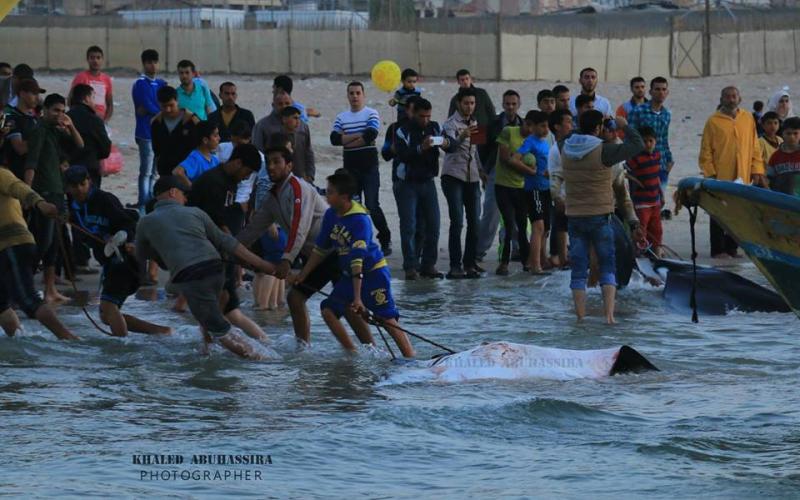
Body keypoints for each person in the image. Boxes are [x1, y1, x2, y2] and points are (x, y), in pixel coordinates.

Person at [136, 176, 275, 359]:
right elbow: (227, 242)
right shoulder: (195, 212)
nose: (185, 200)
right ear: (172, 192)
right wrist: (263, 265)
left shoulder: (145, 222)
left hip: (192, 277)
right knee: (208, 315)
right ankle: (207, 350)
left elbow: (142, 256)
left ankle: (264, 359)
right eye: (184, 195)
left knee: (219, 327)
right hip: (218, 270)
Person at [293, 171, 414, 358]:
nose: (326, 195)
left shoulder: (360, 219)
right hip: (350, 276)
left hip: (373, 274)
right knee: (327, 310)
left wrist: (358, 299)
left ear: (344, 197)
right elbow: (320, 250)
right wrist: (303, 275)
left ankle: (411, 358)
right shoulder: (331, 215)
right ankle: (353, 354)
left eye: (331, 192)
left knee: (385, 318)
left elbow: (358, 262)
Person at [237, 145, 329, 347]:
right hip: (316, 256)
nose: (271, 167)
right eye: (268, 162)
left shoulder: (298, 187)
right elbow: (253, 229)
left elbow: (300, 227)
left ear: (289, 165)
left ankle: (365, 350)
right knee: (295, 299)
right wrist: (230, 247)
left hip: (335, 252)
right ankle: (303, 349)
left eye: (277, 162)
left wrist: (287, 259)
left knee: (347, 306)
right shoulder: (272, 197)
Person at [63, 165, 170, 337]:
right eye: (74, 186)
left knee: (108, 307)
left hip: (124, 261)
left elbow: (128, 222)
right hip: (108, 264)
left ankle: (121, 348)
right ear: (67, 187)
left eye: (82, 184)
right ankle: (160, 331)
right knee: (106, 315)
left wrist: (128, 239)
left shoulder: (105, 199)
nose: (79, 189)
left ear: (89, 181)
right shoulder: (73, 209)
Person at [560, 111, 643, 324]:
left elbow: (576, 135)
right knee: (607, 266)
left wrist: (592, 124)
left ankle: (580, 317)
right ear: (598, 128)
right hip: (599, 215)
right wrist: (623, 125)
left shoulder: (565, 148)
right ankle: (609, 317)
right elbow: (637, 145)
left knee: (578, 269)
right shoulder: (604, 151)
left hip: (575, 217)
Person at [189, 144, 267, 343]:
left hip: (221, 252)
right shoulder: (213, 182)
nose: (245, 178)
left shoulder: (229, 181)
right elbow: (215, 222)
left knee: (226, 308)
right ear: (238, 162)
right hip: (207, 252)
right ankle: (212, 346)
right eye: (247, 172)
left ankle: (212, 346)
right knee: (220, 307)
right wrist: (237, 250)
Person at [0, 167, 78, 340]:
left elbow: (19, 187)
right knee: (1, 305)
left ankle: (70, 339)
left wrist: (40, 204)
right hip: (7, 249)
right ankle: (19, 342)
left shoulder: (1, 174)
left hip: (14, 244)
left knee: (28, 301)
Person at [25, 93, 84, 304]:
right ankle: (22, 288)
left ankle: (50, 290)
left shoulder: (55, 131)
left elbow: (80, 145)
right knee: (43, 242)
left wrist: (71, 125)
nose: (59, 114)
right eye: (55, 110)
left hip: (58, 192)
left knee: (54, 246)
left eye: (62, 110)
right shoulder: (39, 130)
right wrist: (28, 195)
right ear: (45, 111)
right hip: (45, 194)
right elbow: (31, 163)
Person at [699, 86, 765, 258]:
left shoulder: (748, 118)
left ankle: (732, 248)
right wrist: (710, 174)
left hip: (743, 174)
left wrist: (757, 169)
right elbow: (706, 151)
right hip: (721, 174)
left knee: (739, 212)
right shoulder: (713, 121)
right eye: (727, 96)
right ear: (721, 100)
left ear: (739, 98)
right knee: (718, 212)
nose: (731, 99)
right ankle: (718, 250)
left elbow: (755, 146)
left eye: (734, 96)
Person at [330, 81, 391, 254]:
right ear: (347, 96)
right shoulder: (342, 117)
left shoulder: (371, 113)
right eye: (351, 93)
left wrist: (347, 139)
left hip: (369, 167)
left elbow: (371, 134)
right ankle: (359, 241)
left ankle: (385, 237)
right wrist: (358, 135)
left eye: (358, 93)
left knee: (372, 204)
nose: (355, 96)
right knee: (354, 205)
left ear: (363, 95)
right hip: (350, 169)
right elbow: (334, 139)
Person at [394, 98, 449, 280]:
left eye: (428, 116)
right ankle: (410, 265)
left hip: (428, 181)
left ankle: (428, 264)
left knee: (433, 225)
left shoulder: (434, 127)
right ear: (413, 113)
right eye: (422, 116)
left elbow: (451, 145)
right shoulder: (403, 131)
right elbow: (402, 155)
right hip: (407, 183)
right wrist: (420, 148)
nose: (425, 120)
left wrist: (446, 143)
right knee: (409, 226)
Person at [477, 90, 523, 262]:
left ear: (519, 105)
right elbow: (478, 149)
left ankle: (516, 249)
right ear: (503, 105)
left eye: (514, 104)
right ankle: (479, 251)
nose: (510, 107)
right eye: (507, 104)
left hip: (517, 173)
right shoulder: (491, 124)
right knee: (491, 214)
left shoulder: (524, 125)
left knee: (517, 214)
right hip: (494, 172)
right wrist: (483, 172)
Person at [441, 87, 481, 279]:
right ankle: (455, 265)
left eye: (472, 103)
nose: (469, 107)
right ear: (459, 103)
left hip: (472, 177)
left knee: (475, 222)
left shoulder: (476, 122)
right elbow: (449, 148)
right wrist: (462, 135)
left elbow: (477, 151)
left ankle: (470, 263)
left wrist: (482, 173)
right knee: (457, 222)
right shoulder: (449, 123)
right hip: (453, 176)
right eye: (466, 103)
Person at [494, 111, 537, 275]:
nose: (530, 129)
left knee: (522, 224)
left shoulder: (533, 141)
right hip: (503, 185)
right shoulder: (509, 132)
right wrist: (528, 170)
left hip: (521, 187)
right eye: (528, 125)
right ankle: (503, 263)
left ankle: (526, 262)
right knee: (509, 223)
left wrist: (531, 170)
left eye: (534, 127)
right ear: (524, 123)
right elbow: (505, 158)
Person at [628, 77, 674, 220]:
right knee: (641, 207)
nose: (661, 92)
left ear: (667, 92)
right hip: (642, 165)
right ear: (651, 91)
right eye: (657, 89)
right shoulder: (638, 111)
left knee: (657, 204)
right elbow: (630, 137)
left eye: (663, 89)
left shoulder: (666, 114)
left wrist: (669, 159)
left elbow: (664, 138)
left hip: (661, 164)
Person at [516, 110, 552, 274]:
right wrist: (531, 171)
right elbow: (514, 158)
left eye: (547, 126)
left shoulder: (545, 142)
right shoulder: (530, 141)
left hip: (546, 188)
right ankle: (535, 266)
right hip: (534, 189)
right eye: (543, 126)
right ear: (533, 126)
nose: (546, 129)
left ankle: (539, 261)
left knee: (545, 228)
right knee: (538, 226)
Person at [131, 49, 167, 208]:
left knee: (154, 172)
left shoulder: (161, 83)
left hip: (159, 133)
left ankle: (150, 200)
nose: (152, 65)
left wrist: (158, 111)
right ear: (144, 64)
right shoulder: (140, 83)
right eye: (149, 62)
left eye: (154, 62)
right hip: (145, 133)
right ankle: (143, 203)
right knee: (145, 171)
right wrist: (162, 112)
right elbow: (147, 105)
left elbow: (166, 100)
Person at [253, 92, 315, 182]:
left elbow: (308, 152)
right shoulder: (262, 126)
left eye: (287, 103)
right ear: (273, 105)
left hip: (300, 178)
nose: (284, 106)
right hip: (272, 178)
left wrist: (310, 175)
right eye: (280, 104)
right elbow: (258, 153)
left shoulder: (302, 126)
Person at [625, 127, 663, 257]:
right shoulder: (636, 158)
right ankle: (639, 255)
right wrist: (635, 180)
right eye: (644, 141)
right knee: (642, 230)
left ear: (655, 141)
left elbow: (657, 176)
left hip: (655, 200)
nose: (648, 144)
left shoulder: (657, 155)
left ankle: (656, 253)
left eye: (650, 141)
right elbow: (624, 171)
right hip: (642, 202)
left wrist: (661, 194)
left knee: (657, 230)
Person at [447, 69, 496, 166]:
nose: (465, 82)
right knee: (469, 161)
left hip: (481, 129)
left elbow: (491, 112)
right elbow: (450, 118)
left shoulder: (482, 93)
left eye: (467, 79)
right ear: (458, 82)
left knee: (483, 161)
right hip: (465, 133)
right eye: (462, 80)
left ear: (471, 79)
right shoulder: (455, 99)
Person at [67, 83, 111, 188]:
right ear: (86, 99)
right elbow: (105, 148)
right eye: (93, 97)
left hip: (69, 167)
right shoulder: (95, 120)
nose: (94, 102)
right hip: (90, 168)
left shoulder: (66, 118)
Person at [151, 85, 200, 179]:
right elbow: (156, 149)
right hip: (165, 171)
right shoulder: (156, 123)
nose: (168, 109)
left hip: (188, 171)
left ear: (177, 101)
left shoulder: (191, 120)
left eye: (171, 105)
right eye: (164, 106)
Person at [547, 109, 574, 269]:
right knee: (563, 226)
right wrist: (558, 197)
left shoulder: (563, 146)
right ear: (557, 126)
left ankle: (563, 258)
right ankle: (563, 259)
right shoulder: (558, 148)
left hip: (565, 193)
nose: (572, 125)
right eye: (568, 122)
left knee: (562, 226)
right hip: (563, 194)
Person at [3, 78, 44, 181]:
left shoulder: (35, 119)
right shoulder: (12, 118)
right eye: (34, 94)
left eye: (38, 94)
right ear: (22, 94)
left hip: (37, 176)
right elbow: (19, 148)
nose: (37, 98)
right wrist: (40, 139)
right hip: (17, 175)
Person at [70, 46, 113, 122]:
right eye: (92, 58)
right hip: (84, 120)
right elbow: (70, 99)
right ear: (87, 59)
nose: (95, 61)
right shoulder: (80, 77)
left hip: (100, 120)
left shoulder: (107, 79)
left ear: (102, 59)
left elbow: (110, 104)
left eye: (98, 58)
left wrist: (106, 120)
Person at [172, 120, 220, 187]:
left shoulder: (214, 159)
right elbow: (177, 172)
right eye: (215, 136)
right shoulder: (195, 158)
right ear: (205, 140)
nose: (219, 138)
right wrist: (193, 190)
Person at [766, 116, 800, 197]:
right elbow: (769, 180)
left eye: (795, 133)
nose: (792, 137)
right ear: (783, 134)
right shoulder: (775, 157)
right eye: (788, 133)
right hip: (782, 202)